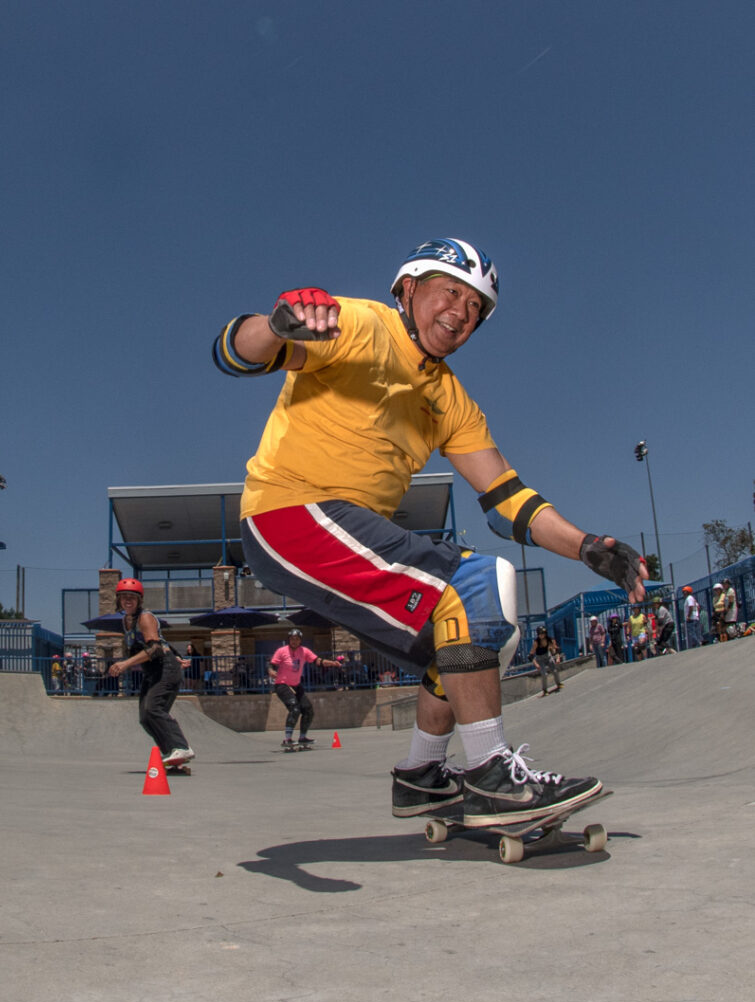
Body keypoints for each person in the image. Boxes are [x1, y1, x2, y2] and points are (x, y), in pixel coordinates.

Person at [215, 236, 647, 825]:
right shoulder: (363, 325)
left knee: (485, 635)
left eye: (476, 309)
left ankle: (422, 774)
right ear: (409, 288)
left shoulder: (450, 399)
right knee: (474, 587)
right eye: (452, 293)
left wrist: (587, 546)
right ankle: (492, 773)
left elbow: (507, 499)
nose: (462, 314)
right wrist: (278, 323)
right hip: (290, 513)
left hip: (342, 528)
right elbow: (238, 352)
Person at [107, 578, 194, 766]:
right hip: (152, 671)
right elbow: (161, 640)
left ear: (139, 600)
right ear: (118, 600)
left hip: (165, 669)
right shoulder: (126, 621)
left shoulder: (144, 617)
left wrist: (125, 664)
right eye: (124, 598)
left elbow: (155, 648)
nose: (128, 601)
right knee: (145, 718)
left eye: (132, 597)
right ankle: (172, 754)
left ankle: (181, 747)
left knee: (154, 709)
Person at [268, 629, 340, 748]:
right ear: (289, 640)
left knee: (308, 710)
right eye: (292, 639)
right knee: (295, 709)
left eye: (296, 639)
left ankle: (302, 737)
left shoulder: (304, 651)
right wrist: (271, 671)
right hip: (282, 685)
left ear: (300, 640)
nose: (294, 641)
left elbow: (318, 661)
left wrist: (332, 663)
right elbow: (272, 664)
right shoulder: (282, 651)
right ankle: (288, 739)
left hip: (296, 685)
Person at [529, 626, 562, 696]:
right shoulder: (536, 642)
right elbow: (531, 655)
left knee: (555, 671)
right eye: (540, 634)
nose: (542, 635)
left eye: (543, 633)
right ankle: (545, 690)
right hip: (540, 659)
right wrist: (536, 664)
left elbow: (556, 649)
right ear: (538, 634)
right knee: (544, 674)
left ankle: (558, 683)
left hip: (548, 656)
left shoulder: (549, 640)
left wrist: (558, 658)